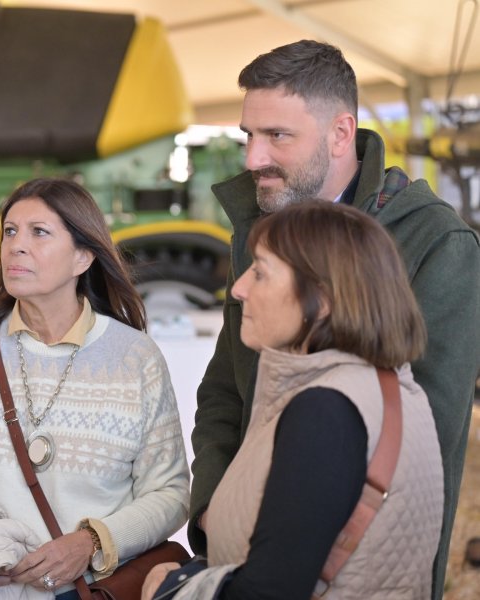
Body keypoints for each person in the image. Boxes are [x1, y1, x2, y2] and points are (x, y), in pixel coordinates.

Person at [189, 39, 480, 599]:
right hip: (244, 558)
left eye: (278, 136)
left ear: (341, 133)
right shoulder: (261, 222)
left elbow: (427, 448)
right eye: (249, 135)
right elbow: (226, 391)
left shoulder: (433, 241)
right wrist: (212, 511)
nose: (253, 158)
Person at [0, 177, 190, 598]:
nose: (16, 246)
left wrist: (92, 543)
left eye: (39, 232)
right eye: (10, 231)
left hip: (83, 591)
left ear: (83, 257)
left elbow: (169, 493)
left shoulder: (135, 359)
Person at [144, 200, 444, 599]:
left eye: (261, 273)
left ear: (320, 300)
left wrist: (170, 589)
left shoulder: (326, 410)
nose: (238, 288)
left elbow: (271, 591)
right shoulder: (388, 389)